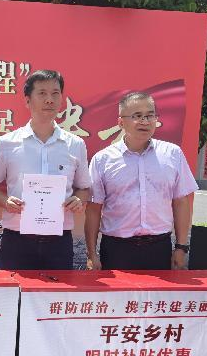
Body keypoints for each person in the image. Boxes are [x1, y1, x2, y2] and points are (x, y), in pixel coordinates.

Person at [0, 69, 90, 270]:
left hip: (59, 241)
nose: (49, 100)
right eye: (42, 93)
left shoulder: (75, 144)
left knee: (59, 291)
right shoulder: (8, 143)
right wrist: (6, 202)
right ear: (27, 100)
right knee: (16, 291)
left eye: (55, 93)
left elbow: (84, 188)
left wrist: (78, 199)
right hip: (17, 240)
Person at [85, 91, 198, 271]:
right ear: (121, 122)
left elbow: (181, 202)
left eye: (150, 115)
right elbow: (93, 208)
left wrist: (181, 247)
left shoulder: (172, 154)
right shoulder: (102, 159)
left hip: (159, 248)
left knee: (159, 292)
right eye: (137, 116)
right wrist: (91, 254)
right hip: (116, 249)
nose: (145, 122)